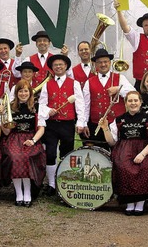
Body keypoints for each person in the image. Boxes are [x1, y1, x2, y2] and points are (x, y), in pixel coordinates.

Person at [99, 91, 148, 216]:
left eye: (135, 100)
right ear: (126, 103)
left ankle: (141, 202)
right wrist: (105, 128)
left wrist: (143, 154)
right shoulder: (119, 119)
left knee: (146, 166)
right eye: (130, 101)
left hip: (145, 149)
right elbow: (112, 142)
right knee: (122, 166)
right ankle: (129, 202)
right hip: (124, 149)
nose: (133, 103)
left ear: (140, 102)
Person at [38, 54, 85, 196]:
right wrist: (48, 110)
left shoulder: (74, 83)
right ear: (52, 68)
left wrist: (81, 122)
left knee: (66, 153)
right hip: (52, 124)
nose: (58, 67)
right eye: (55, 65)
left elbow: (80, 104)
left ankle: (62, 181)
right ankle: (51, 183)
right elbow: (41, 104)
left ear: (66, 67)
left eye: (61, 64)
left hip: (67, 124)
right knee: (50, 153)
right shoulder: (47, 84)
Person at [0, 80, 46, 207]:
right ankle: (19, 193)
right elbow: (7, 131)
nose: (23, 93)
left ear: (30, 92)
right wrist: (2, 117)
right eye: (20, 91)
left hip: (31, 138)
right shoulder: (11, 107)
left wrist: (33, 141)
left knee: (26, 158)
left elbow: (41, 128)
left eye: (26, 91)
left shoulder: (37, 107)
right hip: (14, 138)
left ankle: (27, 192)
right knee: (15, 157)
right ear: (16, 93)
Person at [82, 48, 135, 149]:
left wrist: (118, 89)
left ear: (110, 63)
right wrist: (84, 123)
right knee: (98, 154)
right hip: (97, 124)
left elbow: (133, 93)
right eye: (100, 62)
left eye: (105, 62)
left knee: (118, 152)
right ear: (96, 65)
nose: (103, 65)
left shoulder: (120, 78)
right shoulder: (89, 82)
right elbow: (86, 105)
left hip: (116, 124)